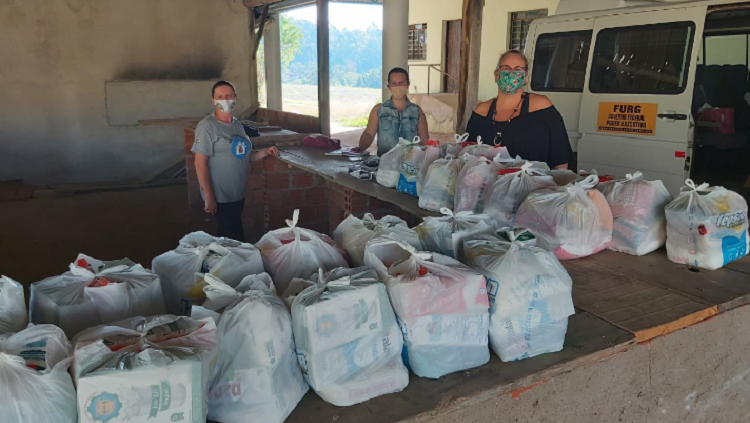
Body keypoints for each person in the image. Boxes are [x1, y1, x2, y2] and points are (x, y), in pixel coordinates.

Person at [192, 80, 279, 242]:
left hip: (237, 192)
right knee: (230, 238)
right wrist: (209, 196)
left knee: (232, 235)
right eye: (220, 96)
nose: (225, 100)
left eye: (229, 96)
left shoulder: (238, 125)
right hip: (220, 194)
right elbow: (199, 163)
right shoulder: (207, 127)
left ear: (235, 98)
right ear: (213, 100)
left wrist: (264, 152)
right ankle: (222, 266)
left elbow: (244, 155)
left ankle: (229, 264)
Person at [466, 50, 573, 169]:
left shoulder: (541, 107)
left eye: (518, 70)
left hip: (536, 186)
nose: (511, 74)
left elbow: (561, 157)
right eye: (506, 68)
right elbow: (468, 156)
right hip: (489, 186)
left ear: (526, 77)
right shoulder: (481, 112)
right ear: (496, 75)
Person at [357, 67, 429, 156]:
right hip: (384, 164)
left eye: (401, 83)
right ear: (389, 86)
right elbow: (369, 133)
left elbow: (424, 141)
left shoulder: (417, 111)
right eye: (394, 83)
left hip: (409, 166)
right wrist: (360, 147)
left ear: (408, 84)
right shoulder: (379, 110)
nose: (397, 87)